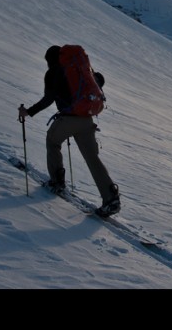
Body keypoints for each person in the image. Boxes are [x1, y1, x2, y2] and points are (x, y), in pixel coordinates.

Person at [18, 46, 120, 217]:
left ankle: (57, 181)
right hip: (87, 119)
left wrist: (28, 112)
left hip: (69, 118)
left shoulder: (53, 73)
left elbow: (48, 99)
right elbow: (99, 80)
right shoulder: (79, 71)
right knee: (92, 158)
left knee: (52, 141)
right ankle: (111, 198)